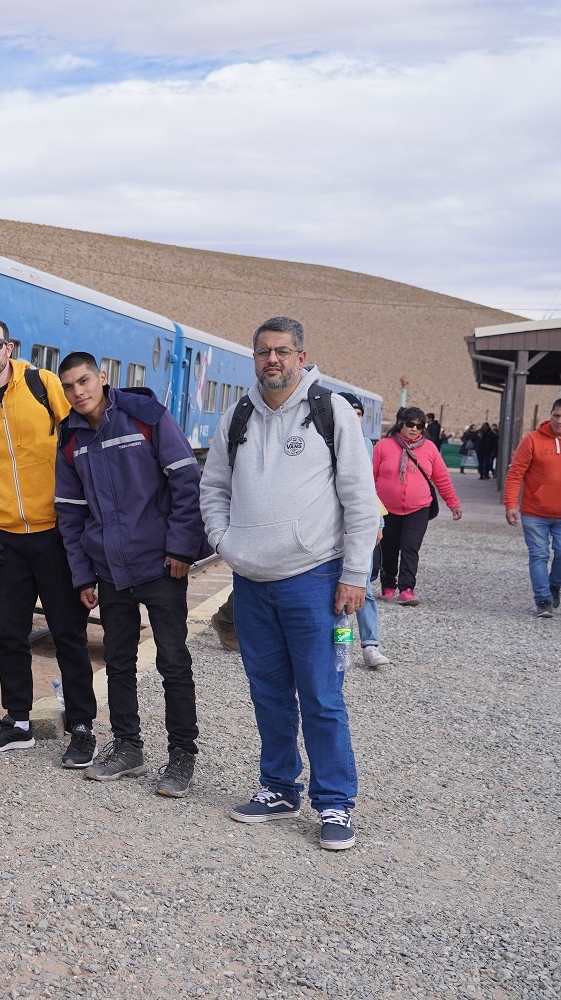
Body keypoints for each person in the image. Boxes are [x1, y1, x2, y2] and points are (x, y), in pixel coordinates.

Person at [200, 317, 379, 851]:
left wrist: (354, 574)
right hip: (252, 581)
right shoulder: (236, 417)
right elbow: (213, 487)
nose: (271, 360)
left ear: (301, 355)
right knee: (269, 693)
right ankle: (279, 788)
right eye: (262, 352)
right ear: (253, 358)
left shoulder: (332, 414)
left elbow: (360, 501)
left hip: (315, 580)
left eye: (281, 351)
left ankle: (334, 803)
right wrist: (225, 543)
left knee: (322, 695)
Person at [54, 351, 208, 797]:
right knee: (117, 662)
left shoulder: (146, 417)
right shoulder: (70, 438)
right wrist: (83, 576)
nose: (77, 392)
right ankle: (128, 746)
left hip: (160, 564)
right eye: (68, 386)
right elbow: (70, 514)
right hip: (109, 568)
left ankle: (182, 755)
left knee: (173, 661)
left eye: (84, 381)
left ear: (103, 378)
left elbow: (185, 482)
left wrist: (182, 547)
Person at [0, 317, 96, 762]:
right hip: (2, 541)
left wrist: (84, 519)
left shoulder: (44, 385)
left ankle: (83, 726)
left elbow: (80, 442)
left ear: (9, 347)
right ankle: (17, 721)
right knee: (10, 635)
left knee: (68, 633)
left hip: (54, 533)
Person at [371, 406, 462, 606]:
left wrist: (453, 503)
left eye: (420, 426)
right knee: (389, 547)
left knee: (411, 547)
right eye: (410, 424)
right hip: (386, 509)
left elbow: (442, 478)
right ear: (400, 424)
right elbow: (370, 476)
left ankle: (407, 589)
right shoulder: (383, 446)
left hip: (418, 508)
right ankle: (388, 586)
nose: (415, 429)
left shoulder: (429, 448)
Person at [336, 393, 391, 669]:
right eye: (351, 411)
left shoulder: (366, 444)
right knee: (337, 596)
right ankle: (342, 646)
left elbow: (367, 488)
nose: (355, 417)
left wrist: (377, 522)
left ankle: (370, 645)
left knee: (364, 587)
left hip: (360, 526)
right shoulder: (325, 438)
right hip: (332, 530)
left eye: (359, 413)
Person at [503, 398, 561, 617]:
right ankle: (543, 600)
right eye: (556, 415)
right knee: (539, 555)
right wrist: (510, 504)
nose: (559, 421)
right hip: (535, 513)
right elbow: (516, 473)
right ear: (550, 415)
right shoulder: (532, 440)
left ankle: (554, 585)